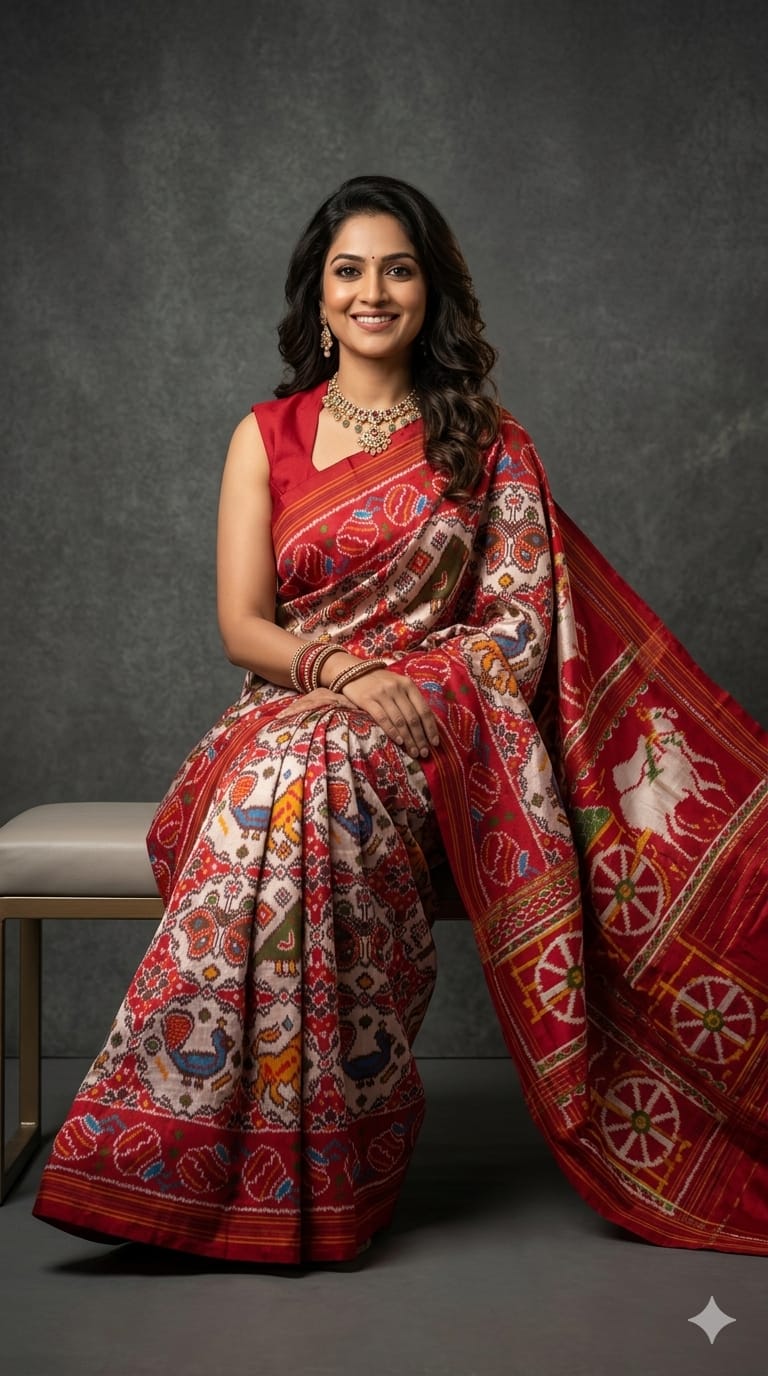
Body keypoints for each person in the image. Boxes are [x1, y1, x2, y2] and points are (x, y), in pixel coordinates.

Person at [34, 176, 768, 1263]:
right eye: (349, 269)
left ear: (430, 291)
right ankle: (183, 1159)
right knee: (298, 760)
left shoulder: (490, 442)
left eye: (398, 266)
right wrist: (338, 676)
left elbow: (520, 624)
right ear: (318, 298)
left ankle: (305, 1167)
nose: (373, 290)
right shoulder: (266, 434)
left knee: (317, 766)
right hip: (283, 713)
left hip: (431, 740)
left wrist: (410, 691)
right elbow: (243, 624)